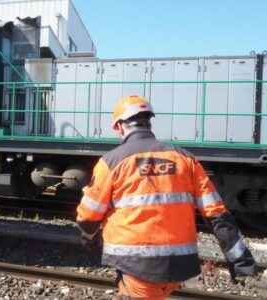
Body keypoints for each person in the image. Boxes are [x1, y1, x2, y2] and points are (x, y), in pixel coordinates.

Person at [76, 95, 256, 300]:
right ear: (148, 122)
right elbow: (217, 215)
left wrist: (88, 239)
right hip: (179, 264)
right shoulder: (185, 159)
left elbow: (88, 216)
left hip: (135, 265)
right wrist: (241, 261)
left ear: (119, 126)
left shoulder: (111, 162)